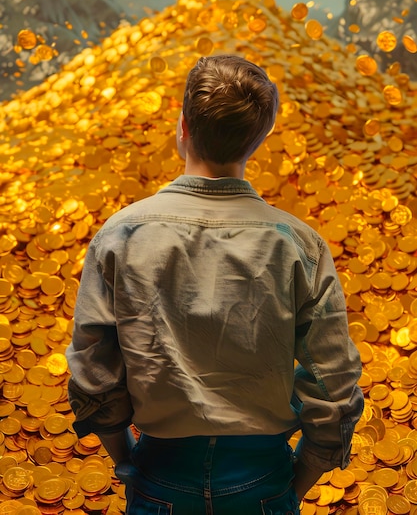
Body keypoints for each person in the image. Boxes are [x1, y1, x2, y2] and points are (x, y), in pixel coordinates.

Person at [66, 54, 364, 515]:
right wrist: (298, 482)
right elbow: (334, 385)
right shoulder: (299, 244)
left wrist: (125, 460)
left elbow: (93, 371)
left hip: (159, 471)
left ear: (182, 127)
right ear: (259, 139)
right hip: (262, 475)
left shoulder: (120, 235)